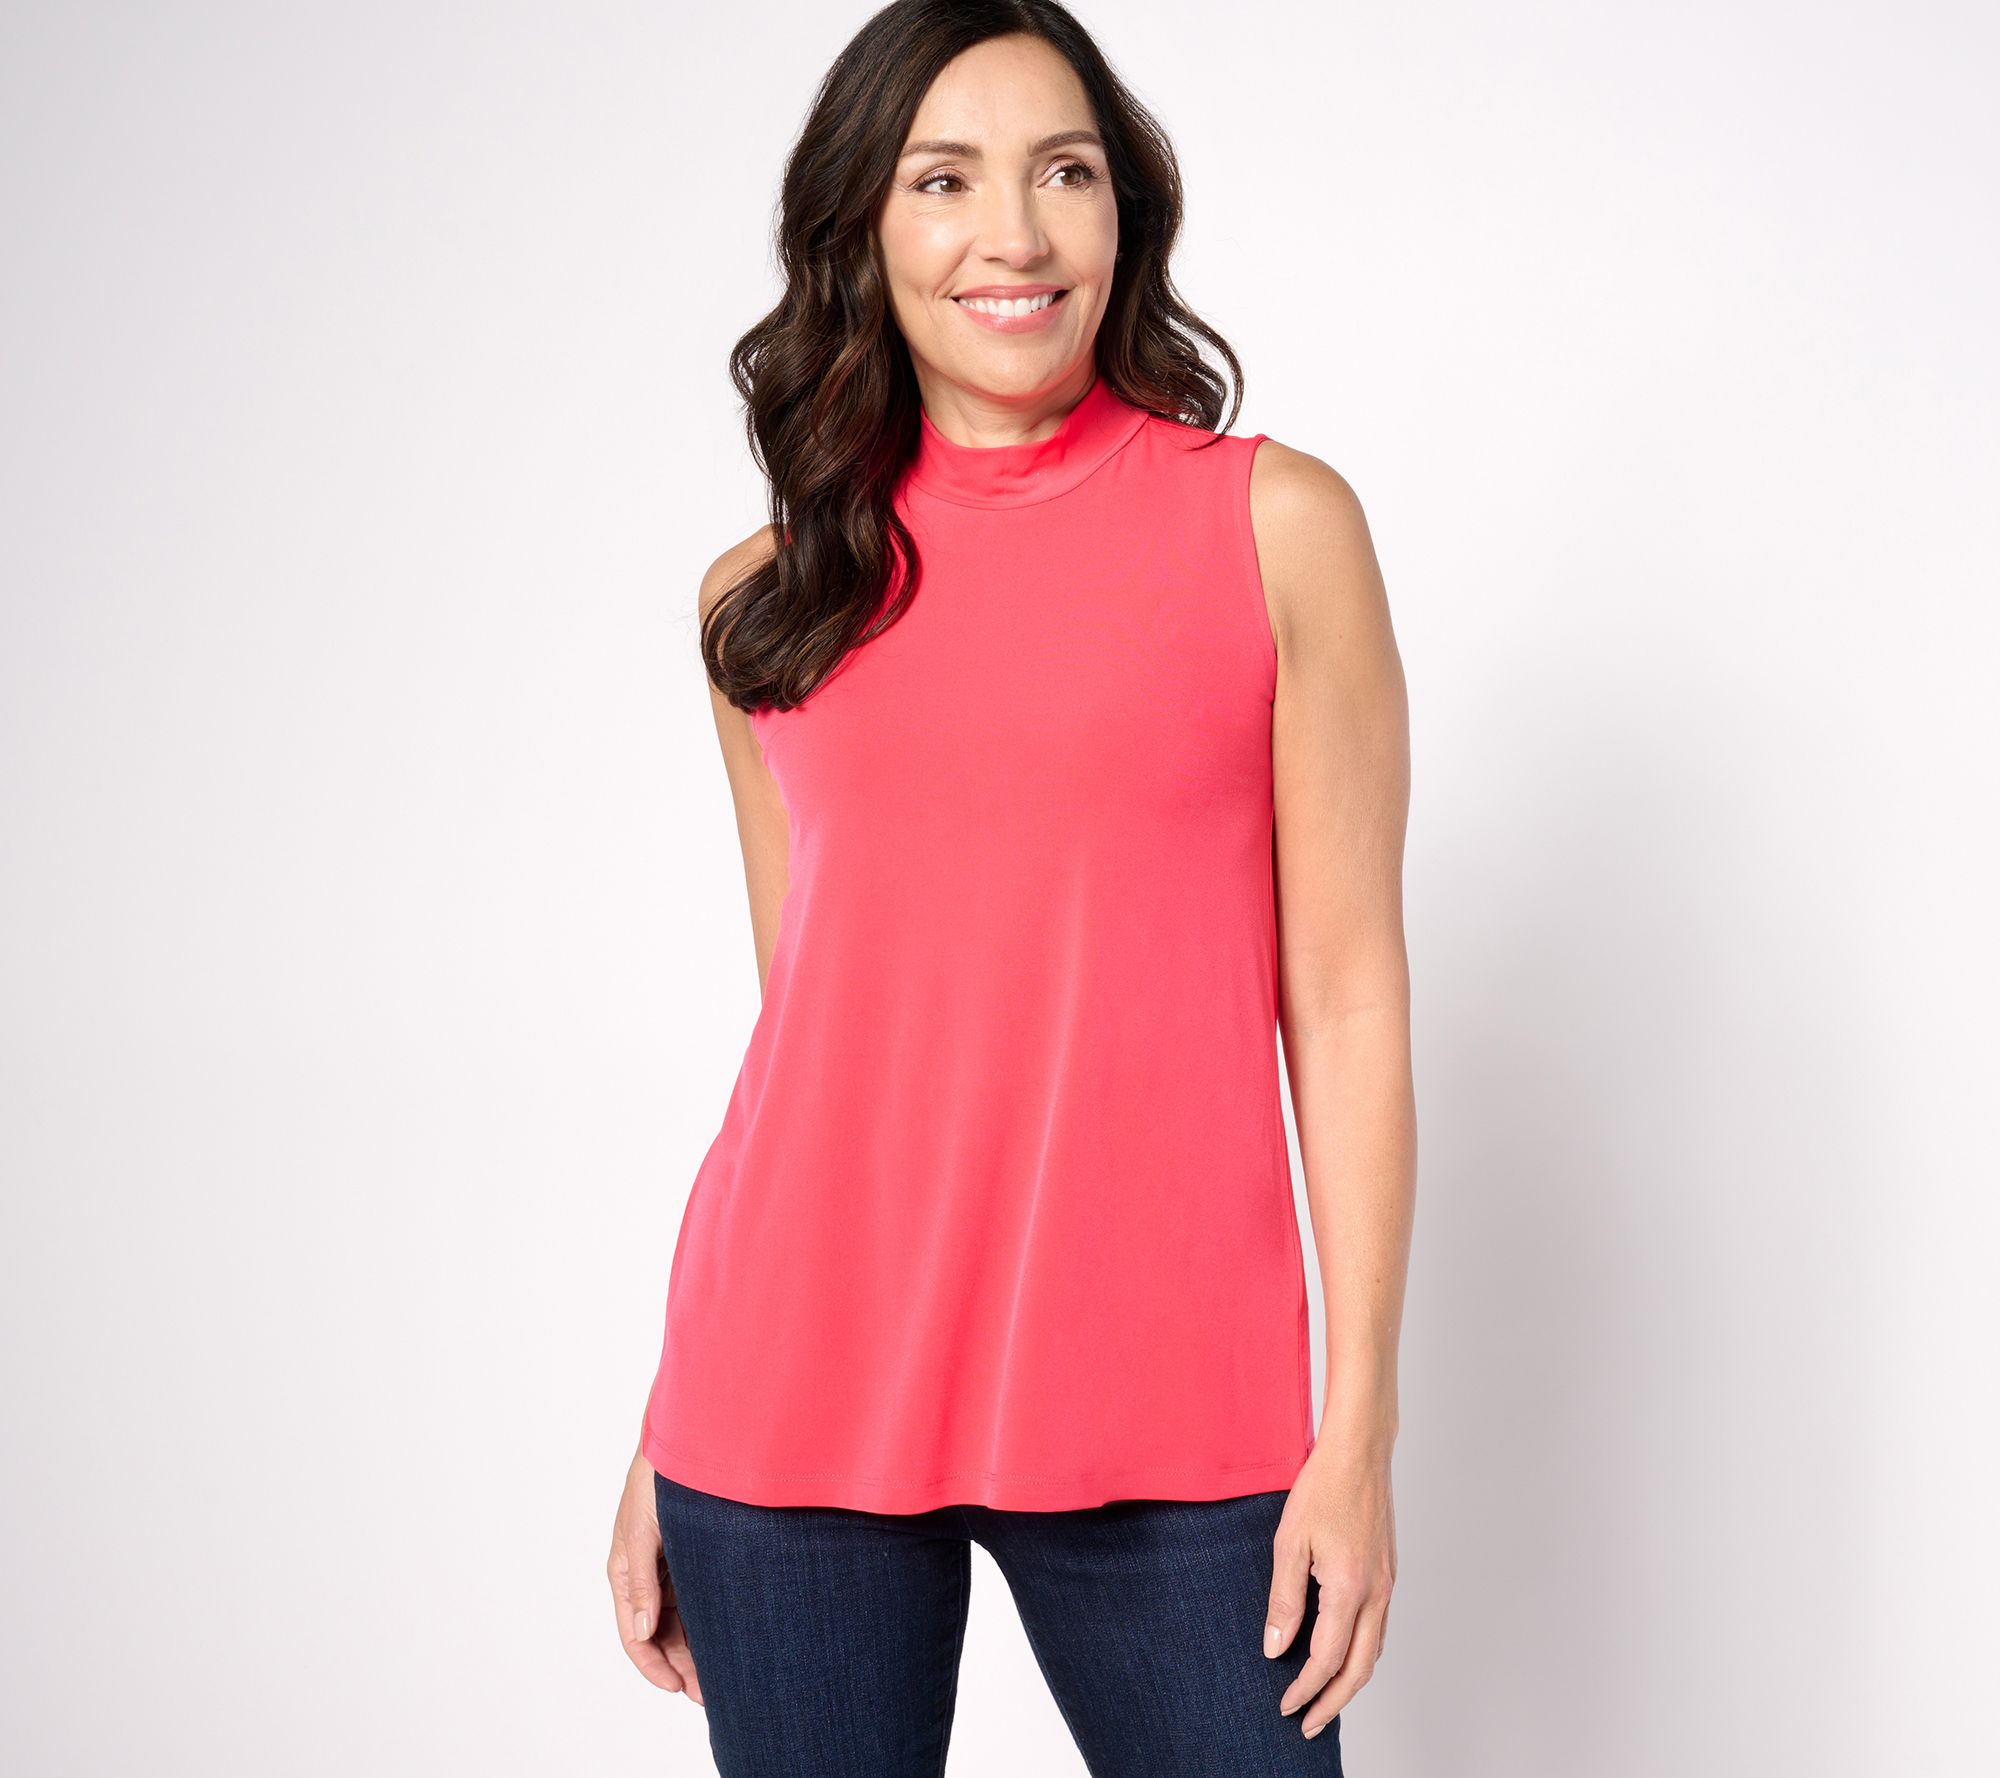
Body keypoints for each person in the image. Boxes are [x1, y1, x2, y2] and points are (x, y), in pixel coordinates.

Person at [607, 4, 1414, 1772]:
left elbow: (1348, 998)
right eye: (944, 180)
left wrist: (1354, 1430)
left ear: (1127, 209)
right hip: (787, 1405)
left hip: (1174, 1412)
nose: (1016, 234)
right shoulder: (766, 601)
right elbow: (808, 1036)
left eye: (1065, 172)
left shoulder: (1274, 528)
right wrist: (675, 1416)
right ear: (862, 228)